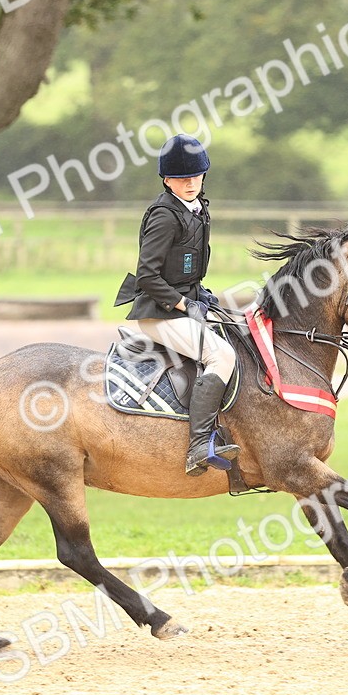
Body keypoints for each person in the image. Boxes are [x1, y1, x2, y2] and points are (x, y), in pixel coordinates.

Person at [113, 134, 239, 476]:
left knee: (238, 332)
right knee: (221, 355)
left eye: (196, 176)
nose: (191, 183)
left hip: (186, 301)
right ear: (167, 180)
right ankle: (199, 445)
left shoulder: (198, 211)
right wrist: (184, 303)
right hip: (157, 311)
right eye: (183, 178)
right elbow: (146, 276)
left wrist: (202, 297)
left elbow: (186, 270)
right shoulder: (165, 216)